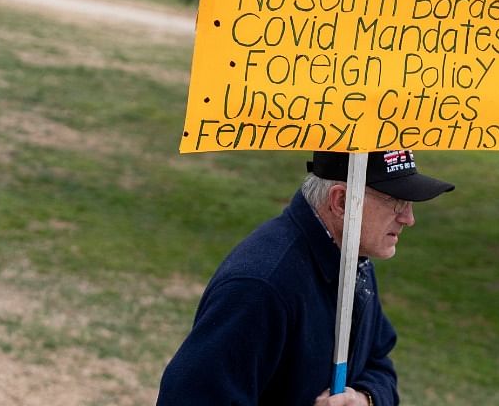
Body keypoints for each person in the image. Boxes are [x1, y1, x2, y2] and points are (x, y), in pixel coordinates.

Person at [156, 150, 454, 406]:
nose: (409, 218)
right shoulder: (260, 286)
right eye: (396, 201)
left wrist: (365, 397)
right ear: (341, 202)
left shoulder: (352, 261)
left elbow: (378, 362)